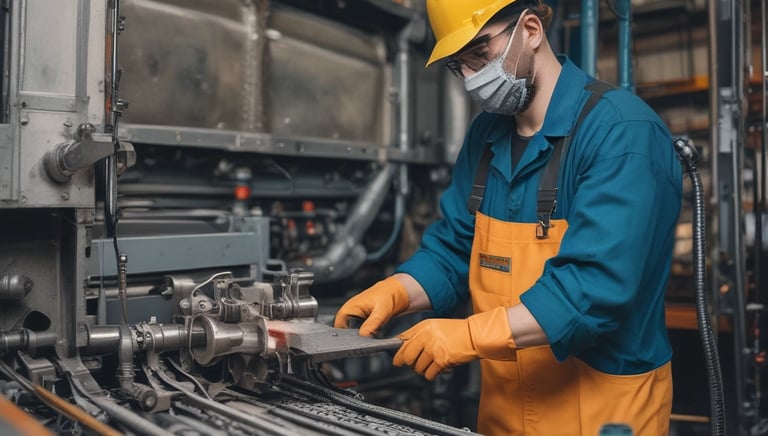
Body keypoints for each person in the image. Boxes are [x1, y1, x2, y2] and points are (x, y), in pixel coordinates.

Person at [334, 0, 682, 434]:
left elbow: (592, 288)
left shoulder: (621, 133)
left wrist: (468, 336)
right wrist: (397, 292)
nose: (471, 77)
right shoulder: (485, 136)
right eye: (458, 65)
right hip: (506, 412)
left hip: (602, 411)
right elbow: (455, 250)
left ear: (531, 29)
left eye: (479, 54)